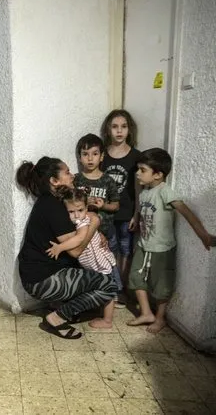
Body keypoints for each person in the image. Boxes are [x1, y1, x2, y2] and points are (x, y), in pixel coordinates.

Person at [16, 156, 118, 338]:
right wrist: (95, 223)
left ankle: (61, 305)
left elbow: (79, 229)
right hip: (42, 280)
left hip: (41, 273)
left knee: (92, 276)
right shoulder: (52, 207)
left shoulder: (60, 200)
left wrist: (96, 232)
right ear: (54, 181)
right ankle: (57, 318)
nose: (72, 176)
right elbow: (76, 251)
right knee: (110, 286)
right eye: (67, 172)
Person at [127, 148, 216, 333]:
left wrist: (204, 236)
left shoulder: (165, 192)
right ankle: (146, 313)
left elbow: (186, 212)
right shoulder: (145, 192)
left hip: (162, 248)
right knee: (136, 278)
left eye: (142, 170)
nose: (138, 173)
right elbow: (140, 209)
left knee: (162, 286)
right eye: (138, 169)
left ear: (158, 174)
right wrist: (136, 219)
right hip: (144, 245)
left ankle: (160, 318)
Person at [45, 186, 117, 327]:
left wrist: (59, 247)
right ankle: (97, 311)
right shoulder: (74, 222)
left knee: (109, 292)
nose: (76, 215)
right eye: (71, 211)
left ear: (86, 208)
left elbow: (79, 239)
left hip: (100, 263)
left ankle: (107, 320)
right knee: (99, 288)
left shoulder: (84, 222)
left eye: (80, 210)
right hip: (90, 263)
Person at [73, 133, 124, 307]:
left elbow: (116, 206)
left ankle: (115, 292)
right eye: (85, 154)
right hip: (85, 231)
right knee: (87, 262)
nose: (90, 158)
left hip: (106, 230)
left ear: (102, 156)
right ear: (80, 157)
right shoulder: (76, 179)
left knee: (109, 261)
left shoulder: (108, 180)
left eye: (95, 154)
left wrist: (103, 206)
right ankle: (91, 292)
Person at [100, 109, 141, 300]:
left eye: (123, 126)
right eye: (115, 126)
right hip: (106, 213)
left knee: (125, 249)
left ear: (129, 130)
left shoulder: (135, 156)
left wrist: (136, 214)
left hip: (127, 214)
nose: (119, 131)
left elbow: (138, 189)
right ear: (108, 130)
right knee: (109, 249)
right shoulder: (102, 156)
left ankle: (122, 288)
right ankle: (114, 287)